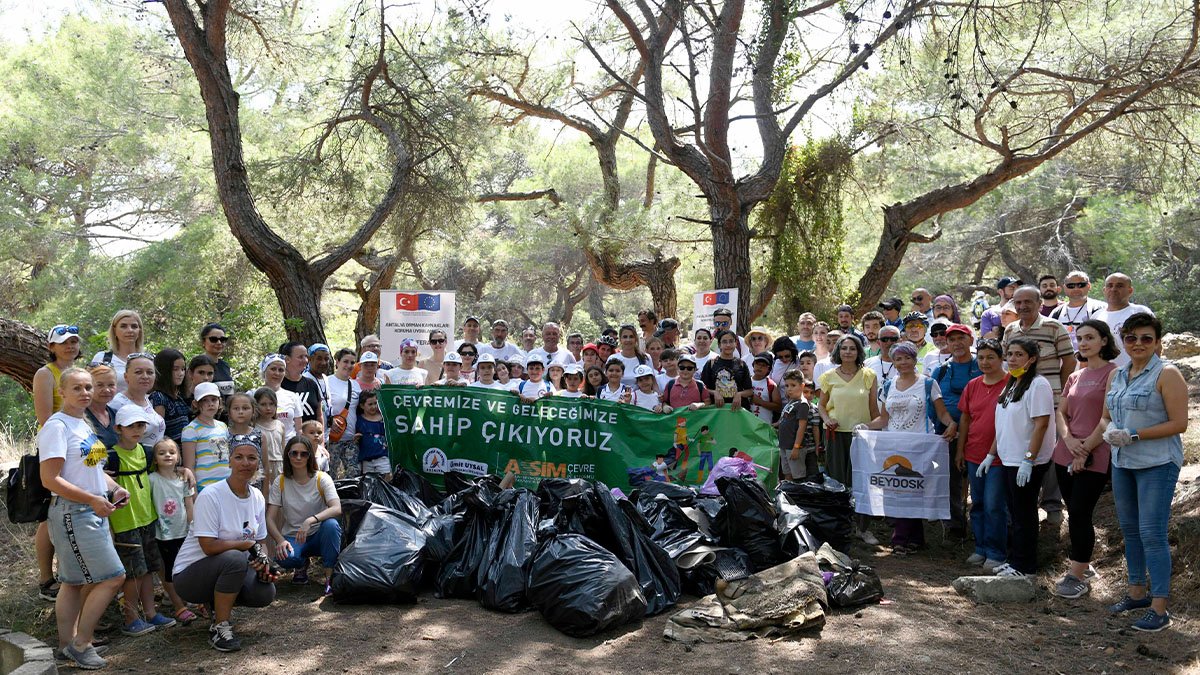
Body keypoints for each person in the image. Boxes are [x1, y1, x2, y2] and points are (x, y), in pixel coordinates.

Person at [1100, 312, 1188, 631]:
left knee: (1152, 532)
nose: (1138, 344)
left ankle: (1160, 608)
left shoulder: (1168, 373)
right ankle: (1136, 593)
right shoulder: (1117, 375)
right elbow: (1105, 417)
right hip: (1122, 462)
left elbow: (1180, 423)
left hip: (1157, 463)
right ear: (1123, 341)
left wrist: (1135, 435)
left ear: (1158, 342)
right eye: (1132, 338)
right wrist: (1108, 431)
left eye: (1146, 338)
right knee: (1130, 530)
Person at [38, 367, 128, 670]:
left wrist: (114, 489)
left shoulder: (83, 424)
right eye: (77, 388)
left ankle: (67, 645)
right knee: (114, 576)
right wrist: (91, 499)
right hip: (73, 512)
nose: (85, 393)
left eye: (88, 387)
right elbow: (49, 479)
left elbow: (91, 471)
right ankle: (82, 643)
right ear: (62, 392)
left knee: (73, 582)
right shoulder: (57, 426)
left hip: (92, 509)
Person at [172, 435, 277, 653]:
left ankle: (215, 604)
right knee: (235, 559)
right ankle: (220, 627)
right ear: (229, 461)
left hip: (227, 567)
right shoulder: (212, 495)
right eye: (238, 457)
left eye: (252, 458)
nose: (245, 463)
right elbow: (208, 547)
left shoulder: (256, 496)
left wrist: (262, 563)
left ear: (258, 462)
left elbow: (259, 542)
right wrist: (245, 547)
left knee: (265, 591)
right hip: (189, 575)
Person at [858, 341, 958, 555]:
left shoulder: (928, 383)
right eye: (898, 359)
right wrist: (865, 426)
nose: (903, 362)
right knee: (897, 489)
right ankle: (915, 538)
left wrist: (950, 423)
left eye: (907, 358)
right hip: (893, 446)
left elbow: (941, 412)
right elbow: (884, 419)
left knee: (913, 491)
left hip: (920, 445)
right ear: (893, 362)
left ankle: (900, 539)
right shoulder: (888, 385)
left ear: (915, 359)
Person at [1051, 320, 1119, 599]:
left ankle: (1076, 576)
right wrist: (1067, 441)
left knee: (1080, 511)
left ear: (1104, 340)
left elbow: (1108, 417)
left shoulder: (1114, 374)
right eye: (1080, 338)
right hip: (1065, 451)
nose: (1084, 342)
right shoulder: (1075, 376)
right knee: (1073, 512)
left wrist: (1085, 450)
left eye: (1090, 337)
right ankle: (1084, 564)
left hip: (1096, 451)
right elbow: (1060, 413)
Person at [978, 337, 1056, 579]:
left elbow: (1041, 424)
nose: (1012, 359)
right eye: (1009, 354)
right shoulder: (1012, 383)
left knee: (1024, 514)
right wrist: (991, 455)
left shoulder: (1038, 385)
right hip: (1008, 459)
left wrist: (1029, 460)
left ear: (1031, 359)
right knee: (1014, 512)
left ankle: (1026, 567)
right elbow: (1002, 425)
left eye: (1018, 354)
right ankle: (1015, 561)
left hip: (1027, 462)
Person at [1003, 285, 1076, 525]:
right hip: (1019, 400)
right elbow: (1009, 365)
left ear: (1038, 303)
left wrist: (1064, 394)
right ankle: (1026, 503)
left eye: (1028, 302)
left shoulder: (1053, 327)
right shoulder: (1011, 329)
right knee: (1026, 448)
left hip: (1051, 399)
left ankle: (1053, 505)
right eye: (1018, 302)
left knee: (1051, 453)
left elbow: (1069, 360)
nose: (1022, 307)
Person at [106, 404, 177, 637]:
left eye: (141, 425)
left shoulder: (147, 453)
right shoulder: (112, 456)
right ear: (119, 428)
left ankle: (150, 613)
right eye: (131, 426)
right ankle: (130, 618)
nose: (137, 430)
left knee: (148, 569)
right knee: (132, 573)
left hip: (148, 519)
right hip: (125, 521)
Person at [818, 335, 880, 545]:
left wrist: (873, 431)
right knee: (836, 483)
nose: (847, 352)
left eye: (852, 348)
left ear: (858, 351)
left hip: (861, 436)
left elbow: (874, 411)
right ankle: (839, 528)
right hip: (836, 436)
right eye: (843, 348)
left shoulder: (868, 375)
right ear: (838, 351)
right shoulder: (828, 376)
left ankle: (862, 528)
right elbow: (821, 406)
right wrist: (827, 419)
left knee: (861, 483)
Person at [958, 339, 1010, 571]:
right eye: (981, 358)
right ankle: (980, 547)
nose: (985, 362)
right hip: (973, 453)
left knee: (994, 505)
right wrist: (960, 450)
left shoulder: (1012, 383)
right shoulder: (973, 385)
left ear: (1001, 358)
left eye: (990, 357)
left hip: (1001, 455)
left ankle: (996, 552)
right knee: (977, 503)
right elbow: (966, 419)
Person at [267, 435, 342, 596]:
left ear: (310, 456)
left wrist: (311, 520)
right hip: (293, 537)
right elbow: (270, 517)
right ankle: (300, 565)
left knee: (331, 525)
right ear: (287, 455)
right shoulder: (280, 481)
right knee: (285, 558)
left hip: (317, 534)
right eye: (294, 453)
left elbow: (336, 508)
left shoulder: (322, 478)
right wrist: (280, 540)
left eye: (304, 453)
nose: (298, 457)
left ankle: (330, 578)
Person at [929, 324, 982, 538]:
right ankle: (955, 527)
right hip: (948, 433)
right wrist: (947, 425)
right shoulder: (940, 370)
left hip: (980, 433)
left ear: (971, 340)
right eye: (952, 340)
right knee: (951, 480)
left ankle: (982, 526)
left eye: (962, 338)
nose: (957, 343)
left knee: (979, 481)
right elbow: (933, 404)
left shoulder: (983, 364)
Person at [148, 438, 199, 625]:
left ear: (178, 456)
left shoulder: (183, 479)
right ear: (154, 459)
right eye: (161, 453)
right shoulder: (151, 480)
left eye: (171, 452)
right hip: (164, 534)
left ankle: (194, 598)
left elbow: (189, 503)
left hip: (184, 532)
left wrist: (193, 526)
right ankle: (179, 606)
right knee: (169, 570)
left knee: (189, 566)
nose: (167, 455)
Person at [1094, 273, 1154, 368]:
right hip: (1103, 375)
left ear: (1130, 290)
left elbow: (1155, 344)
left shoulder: (1140, 312)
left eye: (1119, 286)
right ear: (1104, 290)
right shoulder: (1096, 316)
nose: (1113, 289)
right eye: (1110, 286)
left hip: (1137, 373)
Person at [183, 382, 232, 492]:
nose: (210, 404)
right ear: (196, 404)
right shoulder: (191, 429)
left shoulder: (223, 426)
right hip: (205, 487)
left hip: (227, 484)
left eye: (214, 399)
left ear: (219, 402)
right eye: (205, 400)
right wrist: (194, 494)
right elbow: (189, 466)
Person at [112, 352, 167, 449]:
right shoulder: (117, 404)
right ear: (126, 376)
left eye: (150, 372)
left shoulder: (147, 399)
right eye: (138, 372)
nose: (145, 376)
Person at [1050, 270, 1107, 351]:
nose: (1076, 288)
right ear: (1064, 287)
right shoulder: (1056, 313)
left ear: (1089, 286)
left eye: (1081, 285)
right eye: (1071, 285)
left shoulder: (1100, 308)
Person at [90, 309, 144, 394]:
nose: (130, 330)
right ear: (114, 330)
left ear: (139, 330)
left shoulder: (149, 360)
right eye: (123, 326)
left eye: (134, 326)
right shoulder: (102, 358)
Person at [778, 371, 817, 480]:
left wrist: (796, 447)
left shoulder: (802, 404)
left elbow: (802, 427)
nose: (789, 389)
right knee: (787, 474)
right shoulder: (791, 402)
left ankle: (798, 497)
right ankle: (787, 496)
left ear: (802, 386)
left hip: (794, 447)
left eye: (793, 385)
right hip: (784, 445)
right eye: (786, 386)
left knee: (798, 476)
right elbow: (784, 420)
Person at [326, 349, 358, 478]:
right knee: (330, 478)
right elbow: (321, 408)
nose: (349, 365)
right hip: (332, 440)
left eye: (352, 362)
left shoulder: (356, 385)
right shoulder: (327, 382)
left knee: (354, 477)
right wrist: (330, 421)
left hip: (351, 440)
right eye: (345, 361)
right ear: (337, 362)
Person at [701, 330, 753, 409]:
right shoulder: (711, 364)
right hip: (716, 411)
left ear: (735, 343)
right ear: (719, 345)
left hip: (737, 410)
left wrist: (739, 394)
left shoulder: (741, 364)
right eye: (724, 342)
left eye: (731, 341)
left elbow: (750, 391)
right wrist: (714, 392)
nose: (728, 345)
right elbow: (702, 388)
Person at [150, 349, 190, 444]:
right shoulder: (159, 397)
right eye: (175, 369)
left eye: (183, 369)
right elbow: (158, 431)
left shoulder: (180, 396)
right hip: (168, 453)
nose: (180, 373)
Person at [279, 342, 324, 427]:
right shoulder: (278, 385)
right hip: (288, 438)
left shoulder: (311, 384)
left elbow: (319, 416)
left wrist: (321, 437)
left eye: (306, 356)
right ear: (287, 359)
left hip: (312, 439)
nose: (305, 360)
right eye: (300, 357)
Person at [259, 354, 303, 441]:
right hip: (262, 445)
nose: (277, 373)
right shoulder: (252, 395)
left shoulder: (292, 396)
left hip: (288, 447)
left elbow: (299, 429)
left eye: (281, 370)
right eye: (273, 369)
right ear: (264, 370)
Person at [353, 390, 390, 479]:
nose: (374, 407)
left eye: (375, 403)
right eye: (370, 404)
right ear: (362, 406)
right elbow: (356, 437)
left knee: (386, 483)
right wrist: (356, 438)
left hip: (383, 459)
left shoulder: (383, 419)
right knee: (369, 486)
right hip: (367, 460)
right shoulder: (359, 420)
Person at [253, 389, 285, 493]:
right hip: (262, 467)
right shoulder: (253, 427)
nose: (268, 408)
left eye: (271, 404)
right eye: (263, 404)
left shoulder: (280, 425)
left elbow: (283, 449)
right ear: (256, 406)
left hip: (279, 466)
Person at [85, 364, 121, 452]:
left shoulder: (117, 415)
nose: (107, 390)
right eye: (100, 385)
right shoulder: (80, 416)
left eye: (111, 385)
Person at [199, 323, 236, 398]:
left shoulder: (225, 366)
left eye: (222, 340)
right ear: (203, 342)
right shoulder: (198, 365)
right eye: (213, 339)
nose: (219, 343)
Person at [303, 344, 333, 423]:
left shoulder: (325, 378)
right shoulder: (305, 380)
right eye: (319, 359)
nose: (323, 363)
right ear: (310, 359)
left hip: (326, 432)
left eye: (326, 359)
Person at [749, 354, 781, 425]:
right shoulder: (746, 381)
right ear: (753, 365)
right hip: (746, 424)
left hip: (764, 425)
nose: (760, 367)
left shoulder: (771, 385)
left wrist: (760, 402)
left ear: (768, 369)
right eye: (757, 364)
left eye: (763, 365)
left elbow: (778, 407)